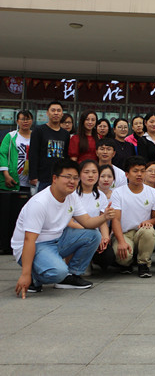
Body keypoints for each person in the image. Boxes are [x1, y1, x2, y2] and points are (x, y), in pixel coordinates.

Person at [13, 159, 114, 297]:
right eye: (67, 177)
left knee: (93, 235)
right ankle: (33, 277)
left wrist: (105, 217)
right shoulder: (40, 203)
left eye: (75, 178)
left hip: (57, 240)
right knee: (58, 272)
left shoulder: (72, 196)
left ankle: (71, 275)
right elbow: (29, 240)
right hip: (35, 245)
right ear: (54, 178)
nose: (72, 181)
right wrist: (25, 274)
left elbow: (87, 222)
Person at [111, 156, 155, 278]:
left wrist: (149, 221)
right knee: (123, 258)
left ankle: (143, 264)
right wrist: (121, 241)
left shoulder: (153, 193)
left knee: (148, 231)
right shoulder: (118, 193)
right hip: (124, 233)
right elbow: (115, 219)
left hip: (141, 232)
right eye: (135, 171)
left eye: (142, 171)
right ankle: (128, 263)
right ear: (127, 174)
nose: (139, 174)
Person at [71, 160, 116, 272]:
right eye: (86, 172)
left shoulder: (100, 196)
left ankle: (90, 260)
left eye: (94, 172)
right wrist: (92, 234)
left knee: (108, 256)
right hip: (75, 234)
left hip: (95, 236)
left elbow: (103, 221)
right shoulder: (72, 194)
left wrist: (105, 238)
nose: (90, 175)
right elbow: (69, 222)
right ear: (79, 175)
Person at [0, 110, 33, 255]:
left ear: (32, 121)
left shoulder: (35, 136)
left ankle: (20, 244)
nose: (25, 121)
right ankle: (5, 245)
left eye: (28, 119)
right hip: (11, 181)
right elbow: (2, 154)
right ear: (17, 121)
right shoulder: (11, 136)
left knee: (23, 216)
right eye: (22, 119)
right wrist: (6, 174)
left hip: (29, 183)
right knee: (7, 214)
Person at [29, 101, 70, 193]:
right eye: (53, 110)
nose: (56, 113)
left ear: (62, 114)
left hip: (59, 177)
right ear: (47, 113)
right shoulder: (39, 130)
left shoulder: (65, 134)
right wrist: (33, 176)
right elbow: (33, 153)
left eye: (58, 111)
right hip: (42, 177)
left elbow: (66, 155)